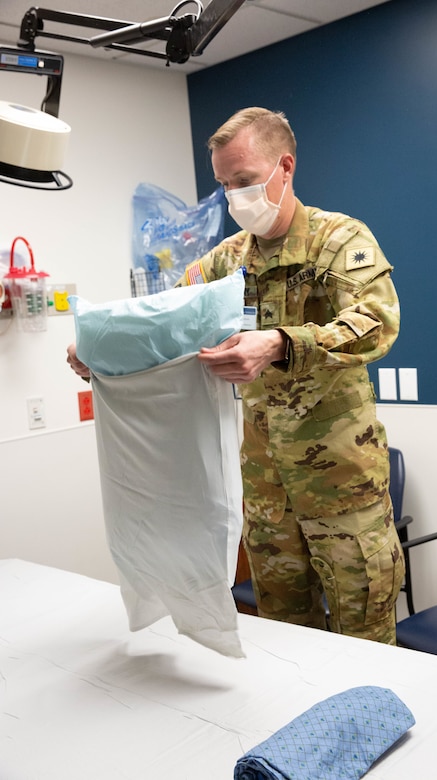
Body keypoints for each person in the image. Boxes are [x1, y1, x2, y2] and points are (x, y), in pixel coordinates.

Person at [67, 107, 404, 645]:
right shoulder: (225, 261)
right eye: (225, 185)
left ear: (284, 166)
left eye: (244, 181)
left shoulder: (338, 240)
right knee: (285, 637)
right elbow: (164, 318)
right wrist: (101, 349)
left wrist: (280, 342)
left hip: (341, 488)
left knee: (364, 638)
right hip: (264, 489)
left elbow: (377, 324)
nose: (234, 197)